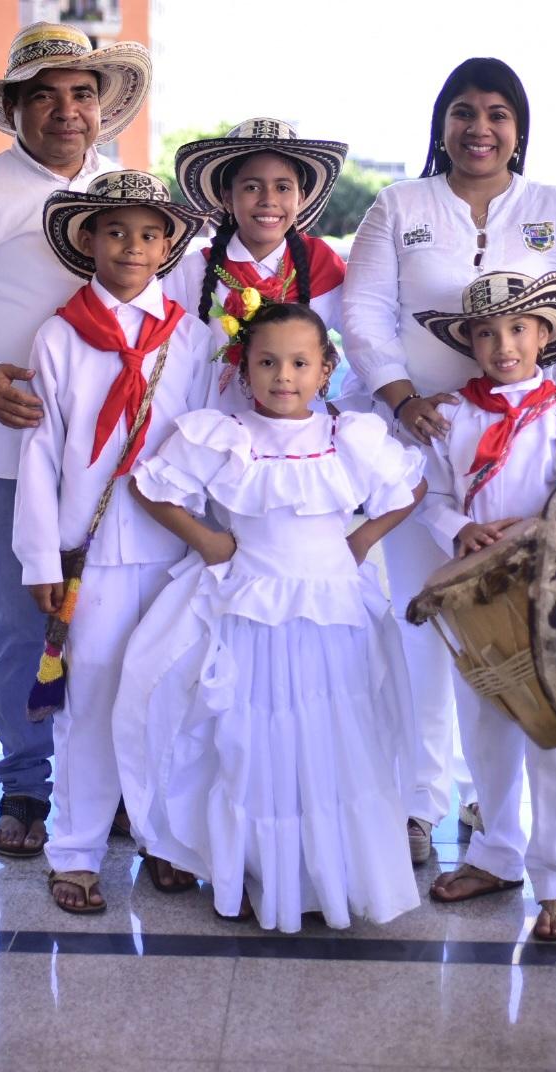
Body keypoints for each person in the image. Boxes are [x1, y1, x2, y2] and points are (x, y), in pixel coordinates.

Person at [340, 57, 556, 863]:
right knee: (426, 631)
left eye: (497, 112)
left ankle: (506, 825)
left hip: (532, 457)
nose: (479, 128)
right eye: (463, 111)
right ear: (441, 124)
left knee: (526, 642)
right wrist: (400, 398)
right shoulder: (399, 205)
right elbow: (363, 312)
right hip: (426, 452)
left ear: (519, 128)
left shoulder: (554, 209)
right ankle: (424, 801)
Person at [0, 22, 152, 858]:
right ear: (12, 108)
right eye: (43, 95)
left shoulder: (131, 192)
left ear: (102, 106)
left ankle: (113, 782)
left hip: (119, 461)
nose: (65, 111)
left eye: (81, 94)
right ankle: (25, 784)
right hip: (14, 453)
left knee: (114, 621)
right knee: (21, 623)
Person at [114, 303, 425, 931]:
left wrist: (363, 539)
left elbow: (408, 488)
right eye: (267, 362)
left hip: (332, 610)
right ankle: (259, 871)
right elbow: (148, 487)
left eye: (300, 363)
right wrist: (208, 541)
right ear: (244, 368)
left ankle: (326, 872)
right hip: (251, 607)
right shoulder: (223, 435)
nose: (284, 376)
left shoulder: (349, 436)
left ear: (325, 370)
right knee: (254, 742)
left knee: (333, 737)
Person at [13, 171, 214, 915]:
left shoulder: (191, 339)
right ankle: (74, 853)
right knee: (89, 700)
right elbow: (40, 449)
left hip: (170, 549)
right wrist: (41, 555)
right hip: (88, 554)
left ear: (170, 247)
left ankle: (166, 842)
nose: (134, 246)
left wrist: (210, 542)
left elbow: (206, 442)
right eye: (118, 231)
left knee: (167, 698)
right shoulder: (60, 335)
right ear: (89, 240)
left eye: (151, 234)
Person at [411, 270, 556, 942]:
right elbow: (431, 496)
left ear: (545, 334)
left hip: (549, 596)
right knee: (485, 728)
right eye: (486, 333)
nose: (503, 344)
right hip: (476, 596)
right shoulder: (452, 417)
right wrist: (459, 530)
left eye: (518, 328)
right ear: (469, 342)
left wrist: (523, 532)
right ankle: (496, 851)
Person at [166, 118, 352, 412]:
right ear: (228, 197)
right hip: (217, 438)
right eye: (252, 187)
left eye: (282, 187)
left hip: (299, 443)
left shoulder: (322, 264)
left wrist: (340, 412)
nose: (268, 200)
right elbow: (166, 367)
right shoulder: (189, 273)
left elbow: (366, 339)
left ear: (301, 198)